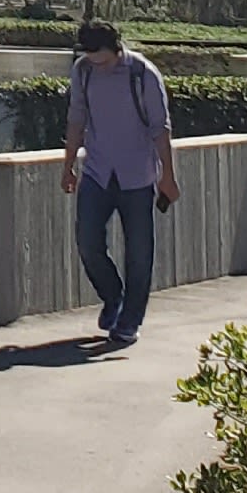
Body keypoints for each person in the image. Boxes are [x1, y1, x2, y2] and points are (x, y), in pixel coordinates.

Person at [58, 18, 176, 347]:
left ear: (116, 47)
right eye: (92, 56)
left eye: (103, 58)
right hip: (97, 171)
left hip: (137, 175)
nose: (99, 64)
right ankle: (113, 297)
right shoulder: (83, 72)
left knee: (139, 253)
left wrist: (168, 175)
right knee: (87, 242)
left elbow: (160, 128)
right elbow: (76, 119)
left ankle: (129, 321)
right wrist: (68, 167)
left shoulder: (143, 74)